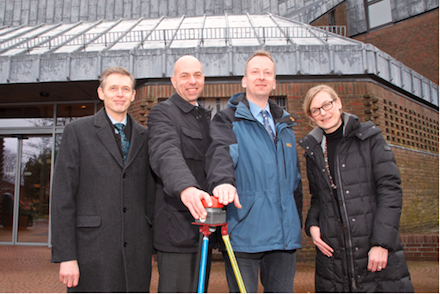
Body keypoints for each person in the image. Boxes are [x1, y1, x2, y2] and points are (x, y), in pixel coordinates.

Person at [298, 84, 414, 292]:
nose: (323, 112)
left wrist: (381, 244)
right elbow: (318, 198)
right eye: (316, 110)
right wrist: (313, 226)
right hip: (333, 257)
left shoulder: (370, 138)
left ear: (339, 103)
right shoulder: (313, 151)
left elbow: (390, 190)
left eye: (327, 104)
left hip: (372, 249)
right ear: (311, 116)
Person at [50, 67, 156, 292]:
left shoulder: (145, 137)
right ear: (101, 93)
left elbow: (150, 195)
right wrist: (66, 256)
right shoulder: (77, 132)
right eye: (113, 88)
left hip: (136, 255)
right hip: (91, 252)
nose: (120, 94)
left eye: (125, 89)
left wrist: (150, 248)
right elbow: (62, 198)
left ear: (133, 95)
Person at [205, 50, 303, 293]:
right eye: (255, 72)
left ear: (274, 82)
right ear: (244, 80)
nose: (261, 77)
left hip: (284, 238)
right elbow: (221, 154)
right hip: (245, 232)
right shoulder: (227, 120)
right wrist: (223, 182)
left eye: (267, 73)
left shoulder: (286, 126)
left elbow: (296, 182)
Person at [147, 55, 215, 293]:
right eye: (184, 76)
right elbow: (165, 153)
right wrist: (186, 188)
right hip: (176, 231)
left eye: (197, 75)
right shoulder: (163, 113)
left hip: (203, 231)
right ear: (173, 81)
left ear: (203, 79)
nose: (192, 81)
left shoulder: (205, 118)